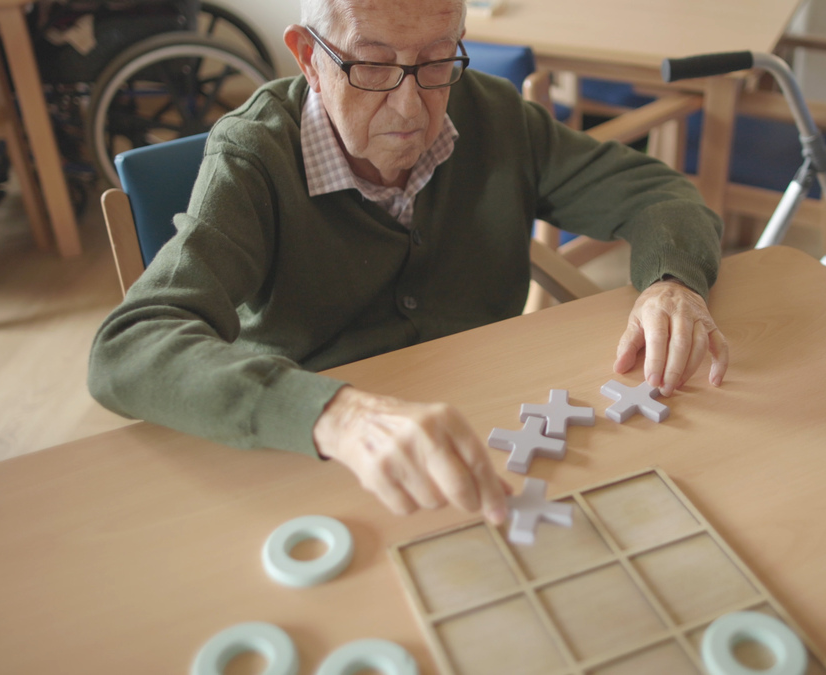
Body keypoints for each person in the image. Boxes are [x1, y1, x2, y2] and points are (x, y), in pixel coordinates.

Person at [88, 0, 728, 528]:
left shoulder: (494, 113)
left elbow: (658, 193)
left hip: (491, 424)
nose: (410, 107)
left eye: (435, 62)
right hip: (320, 459)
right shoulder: (254, 158)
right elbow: (130, 346)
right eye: (371, 66)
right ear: (310, 57)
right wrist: (336, 414)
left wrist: (672, 281)